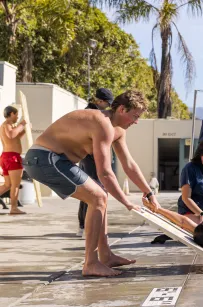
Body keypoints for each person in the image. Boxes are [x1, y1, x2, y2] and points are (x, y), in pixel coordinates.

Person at [24, 90, 160, 277]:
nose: (136, 122)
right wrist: (126, 202)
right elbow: (104, 172)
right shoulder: (102, 123)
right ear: (121, 109)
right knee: (98, 196)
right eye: (134, 116)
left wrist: (149, 192)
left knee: (100, 196)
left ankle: (106, 255)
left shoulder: (118, 130)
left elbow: (128, 164)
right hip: (43, 158)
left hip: (57, 160)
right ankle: (90, 263)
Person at [77, 88, 115, 236]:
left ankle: (84, 225)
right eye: (107, 103)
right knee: (93, 191)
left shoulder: (93, 113)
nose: (108, 107)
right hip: (90, 156)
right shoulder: (91, 114)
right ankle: (86, 226)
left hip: (90, 156)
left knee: (90, 191)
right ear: (99, 101)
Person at [0, 105, 27, 214]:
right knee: (15, 184)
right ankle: (14, 208)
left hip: (6, 157)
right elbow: (11, 135)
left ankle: (14, 208)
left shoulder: (7, 126)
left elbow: (14, 137)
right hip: (12, 157)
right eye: (16, 115)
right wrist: (22, 124)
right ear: (11, 114)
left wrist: (24, 130)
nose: (17, 117)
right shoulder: (7, 125)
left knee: (8, 185)